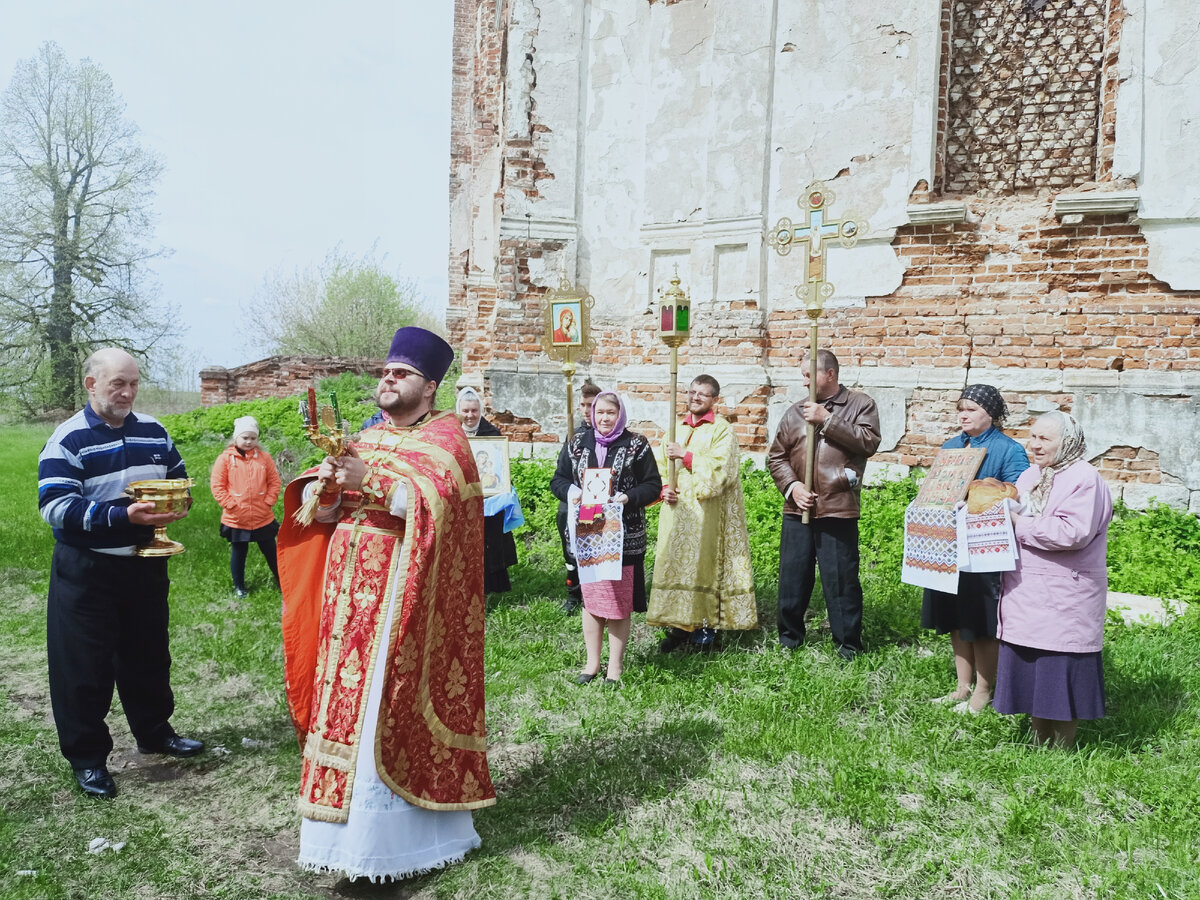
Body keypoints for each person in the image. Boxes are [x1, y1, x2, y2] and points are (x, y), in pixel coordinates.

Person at [278, 327, 495, 881]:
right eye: (385, 372)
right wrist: (322, 490)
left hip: (404, 603)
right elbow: (322, 515)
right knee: (343, 708)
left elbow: (444, 513)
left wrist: (372, 483)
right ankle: (338, 839)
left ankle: (397, 843)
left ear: (430, 386)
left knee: (382, 706)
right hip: (349, 603)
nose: (388, 379)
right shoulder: (367, 438)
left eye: (401, 374)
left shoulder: (449, 443)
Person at [37, 348, 203, 799]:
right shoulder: (67, 440)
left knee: (148, 655)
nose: (128, 392)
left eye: (133, 383)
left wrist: (178, 506)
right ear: (91, 384)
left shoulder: (155, 429)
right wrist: (125, 516)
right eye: (117, 384)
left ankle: (154, 731)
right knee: (83, 669)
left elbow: (178, 476)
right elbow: (55, 507)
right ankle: (88, 759)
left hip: (145, 564)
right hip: (88, 570)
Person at [994, 411, 1112, 748]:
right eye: (1032, 437)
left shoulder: (1084, 479)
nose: (1034, 445)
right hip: (1027, 592)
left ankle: (1062, 750)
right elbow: (1010, 506)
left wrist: (1019, 525)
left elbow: (1072, 533)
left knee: (1059, 673)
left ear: (1068, 443)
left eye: (1044, 439)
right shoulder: (1033, 475)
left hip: (1064, 594)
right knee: (1034, 673)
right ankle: (1037, 741)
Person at [767, 349, 881, 660]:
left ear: (829, 374)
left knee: (840, 577)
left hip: (837, 505)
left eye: (809, 375)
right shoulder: (795, 412)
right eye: (802, 375)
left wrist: (828, 419)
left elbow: (868, 443)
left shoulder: (860, 405)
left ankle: (848, 645)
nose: (804, 382)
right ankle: (789, 639)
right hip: (798, 508)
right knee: (793, 575)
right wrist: (792, 488)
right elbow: (776, 457)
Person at [923, 385, 1029, 713]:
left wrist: (978, 495)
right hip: (949, 543)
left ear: (992, 414)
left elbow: (1016, 494)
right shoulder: (953, 446)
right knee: (954, 615)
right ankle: (961, 686)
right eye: (961, 409)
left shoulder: (1009, 449)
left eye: (972, 409)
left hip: (984, 548)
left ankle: (984, 690)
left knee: (980, 619)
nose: (963, 415)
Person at [551, 390, 661, 684]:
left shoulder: (636, 444)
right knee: (592, 600)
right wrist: (573, 493)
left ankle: (615, 667)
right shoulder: (576, 444)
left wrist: (627, 497)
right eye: (600, 412)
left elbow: (653, 485)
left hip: (624, 535)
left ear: (620, 415)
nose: (604, 418)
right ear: (592, 413)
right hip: (588, 533)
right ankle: (591, 664)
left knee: (618, 600)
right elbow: (559, 480)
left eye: (610, 413)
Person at [649, 375, 757, 652]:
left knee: (703, 564)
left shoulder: (722, 430)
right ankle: (678, 624)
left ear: (714, 400)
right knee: (674, 563)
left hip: (707, 512)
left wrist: (686, 457)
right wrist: (664, 488)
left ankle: (706, 625)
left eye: (703, 394)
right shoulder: (676, 428)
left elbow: (723, 471)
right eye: (692, 392)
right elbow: (660, 463)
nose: (695, 397)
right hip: (677, 510)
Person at [209, 415, 282, 598]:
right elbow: (217, 485)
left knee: (270, 550)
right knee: (239, 551)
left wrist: (269, 501)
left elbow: (274, 481)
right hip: (237, 516)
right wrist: (230, 504)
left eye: (253, 438)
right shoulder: (225, 459)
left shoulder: (264, 458)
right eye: (245, 437)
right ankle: (239, 586)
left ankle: (282, 581)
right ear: (236, 438)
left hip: (262, 514)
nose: (249, 441)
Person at [456, 387, 518, 593]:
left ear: (480, 411)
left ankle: (490, 584)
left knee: (488, 537)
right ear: (458, 410)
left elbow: (499, 465)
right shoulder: (452, 434)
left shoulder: (492, 434)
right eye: (465, 411)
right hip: (461, 494)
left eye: (474, 411)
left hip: (488, 497)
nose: (470, 415)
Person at [557, 380, 601, 613]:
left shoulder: (609, 435)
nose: (586, 410)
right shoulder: (573, 435)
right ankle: (574, 593)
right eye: (583, 405)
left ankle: (595, 590)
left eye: (591, 405)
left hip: (599, 503)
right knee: (568, 533)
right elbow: (560, 474)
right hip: (575, 501)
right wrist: (572, 493)